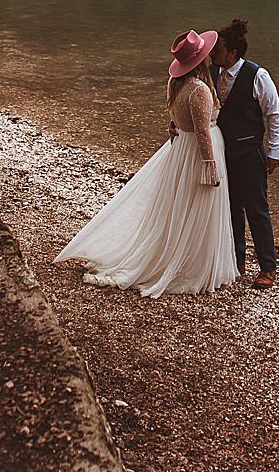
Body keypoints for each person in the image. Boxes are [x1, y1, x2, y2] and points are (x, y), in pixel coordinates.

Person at [55, 29, 237, 298]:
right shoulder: (199, 90)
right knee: (198, 209)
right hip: (197, 154)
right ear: (200, 60)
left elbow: (174, 120)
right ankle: (189, 264)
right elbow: (202, 132)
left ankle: (182, 255)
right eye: (207, 55)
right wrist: (210, 165)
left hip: (180, 152)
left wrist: (176, 128)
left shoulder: (176, 85)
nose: (211, 57)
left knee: (181, 207)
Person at [210, 17, 279, 288]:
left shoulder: (258, 76)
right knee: (230, 208)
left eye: (217, 50)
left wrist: (275, 149)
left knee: (257, 210)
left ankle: (268, 268)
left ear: (233, 53)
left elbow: (273, 113)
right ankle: (237, 261)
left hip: (250, 152)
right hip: (224, 152)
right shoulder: (212, 72)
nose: (212, 54)